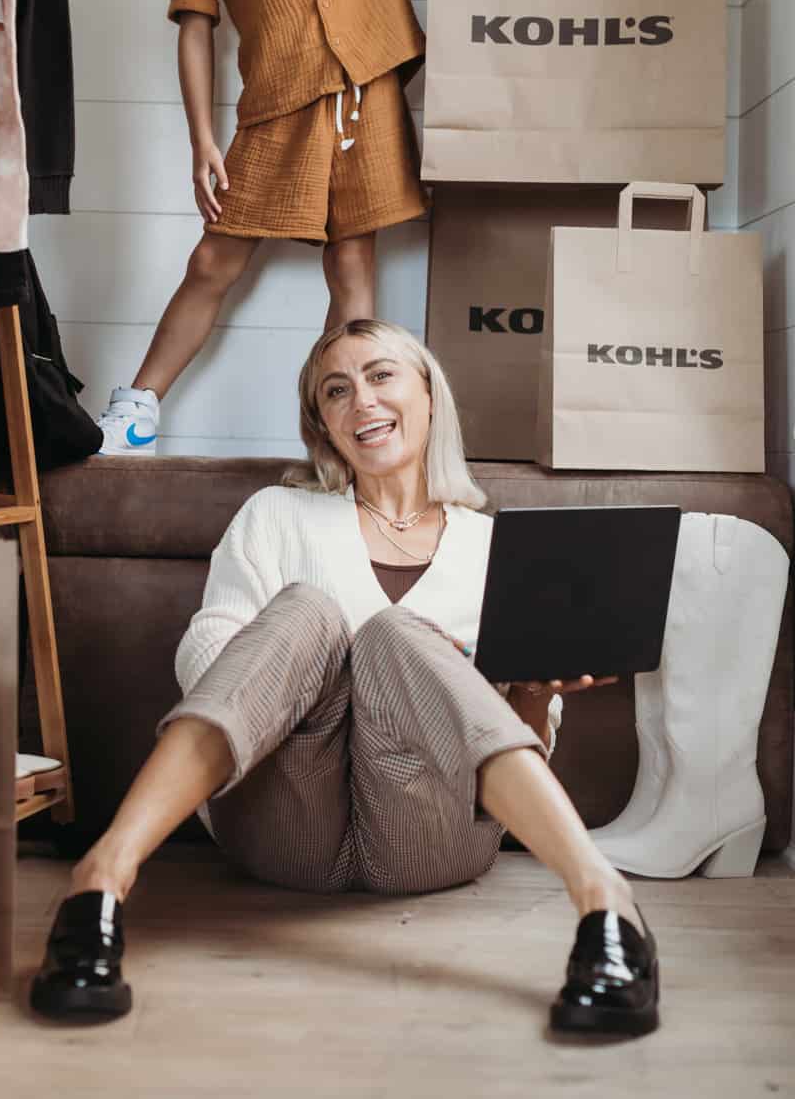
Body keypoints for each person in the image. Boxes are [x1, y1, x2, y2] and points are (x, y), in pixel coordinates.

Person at [33, 319, 659, 1037]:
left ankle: (606, 903)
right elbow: (204, 661)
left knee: (400, 635)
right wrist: (324, 657)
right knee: (309, 609)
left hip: (428, 832)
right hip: (281, 816)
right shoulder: (277, 513)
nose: (361, 399)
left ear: (428, 394)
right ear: (323, 425)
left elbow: (524, 741)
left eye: (381, 375)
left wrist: (533, 690)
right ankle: (98, 885)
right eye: (336, 390)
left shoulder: (493, 546)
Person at [96, 0, 610, 454]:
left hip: (364, 106)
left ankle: (351, 431)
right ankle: (135, 411)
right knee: (214, 263)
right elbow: (195, 31)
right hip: (276, 111)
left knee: (352, 266)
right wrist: (203, 141)